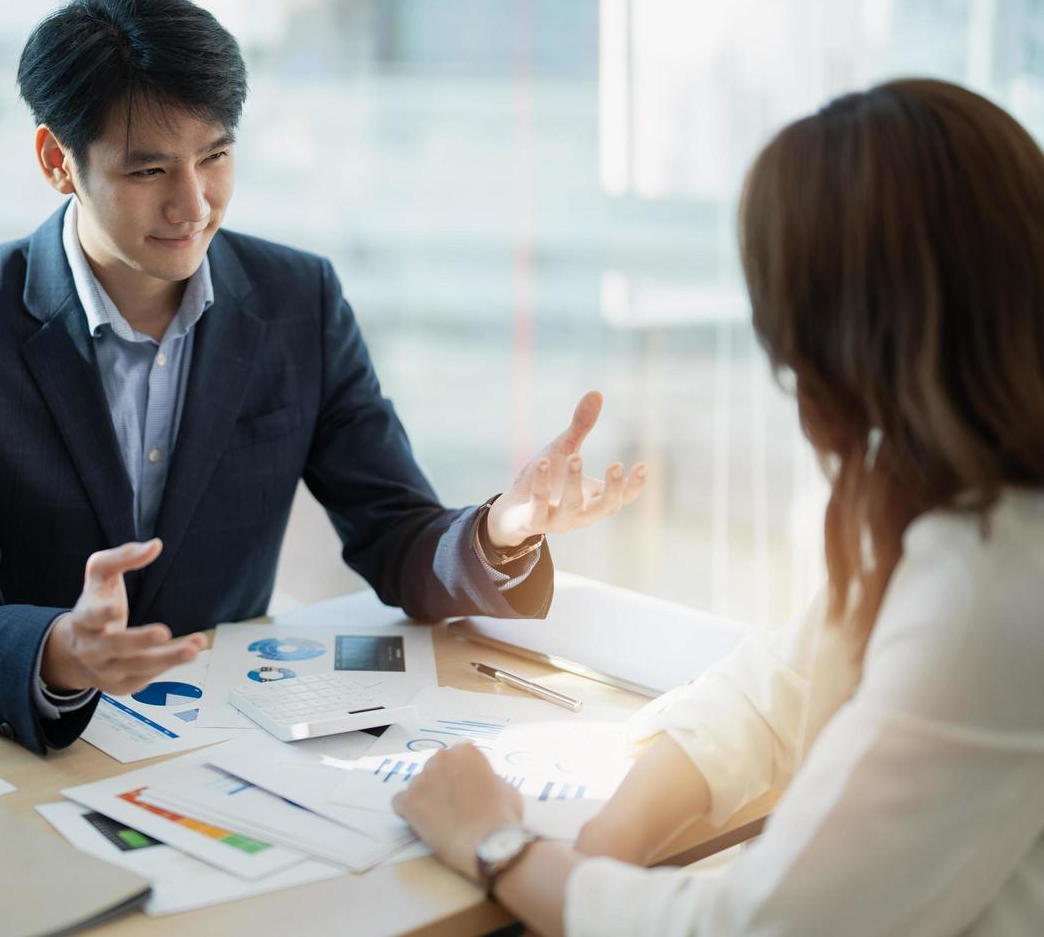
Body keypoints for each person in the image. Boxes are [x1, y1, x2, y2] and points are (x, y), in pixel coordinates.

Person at [0, 0, 646, 755]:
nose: (193, 205)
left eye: (214, 157)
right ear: (56, 160)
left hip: (213, 740)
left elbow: (395, 534)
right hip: (7, 736)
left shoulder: (296, 303)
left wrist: (501, 530)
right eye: (148, 172)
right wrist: (59, 652)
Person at [394, 77, 1044, 935]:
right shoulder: (943, 497)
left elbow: (756, 927)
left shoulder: (992, 581)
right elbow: (778, 689)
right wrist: (602, 843)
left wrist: (498, 844)